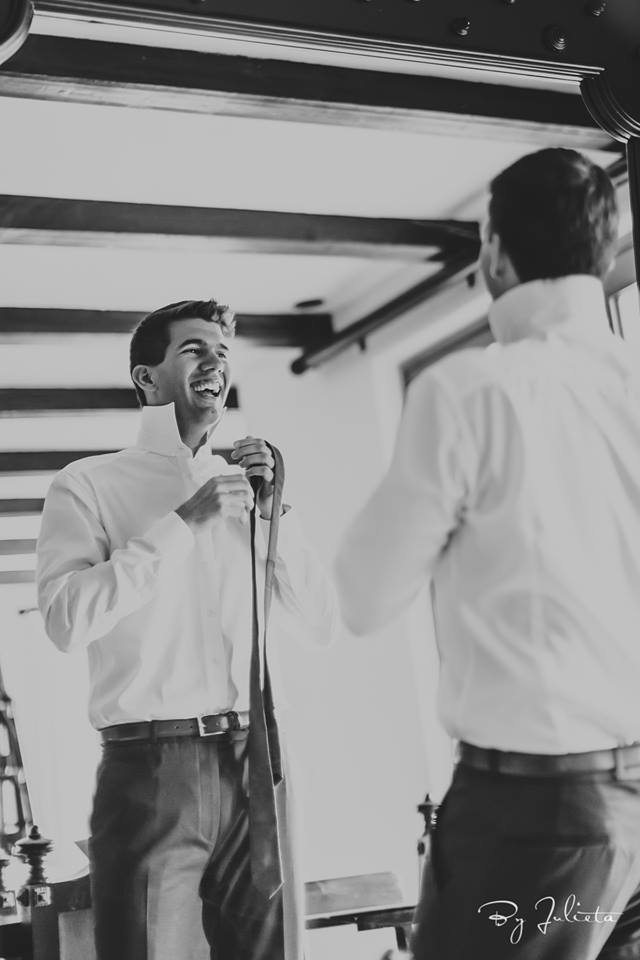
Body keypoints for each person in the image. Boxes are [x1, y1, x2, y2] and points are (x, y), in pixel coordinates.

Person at [335, 148, 640, 960]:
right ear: (603, 252)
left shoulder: (468, 391)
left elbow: (363, 599)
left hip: (536, 816)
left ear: (495, 253)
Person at [36, 298, 338, 960]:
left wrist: (273, 517)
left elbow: (322, 621)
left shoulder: (249, 488)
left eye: (223, 353)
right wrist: (181, 524)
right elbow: (63, 621)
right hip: (153, 769)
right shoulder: (87, 484)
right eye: (195, 350)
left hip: (259, 758)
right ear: (148, 379)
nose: (216, 363)